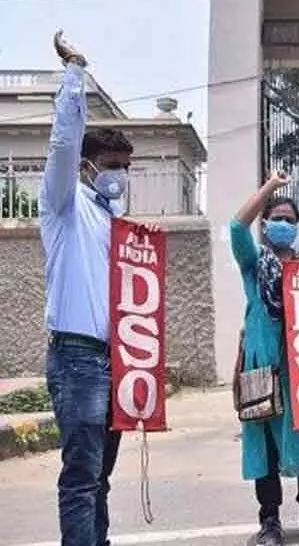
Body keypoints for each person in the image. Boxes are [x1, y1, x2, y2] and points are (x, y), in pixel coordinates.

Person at [40, 31, 137, 546]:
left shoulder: (114, 220)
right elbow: (62, 143)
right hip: (77, 357)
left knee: (99, 478)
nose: (118, 176)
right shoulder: (64, 206)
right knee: (81, 478)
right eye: (111, 167)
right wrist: (74, 74)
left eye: (125, 168)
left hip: (116, 358)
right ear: (86, 167)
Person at [230, 171, 299, 545]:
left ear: (297, 227)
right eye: (276, 218)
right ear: (266, 223)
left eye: (289, 220)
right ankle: (270, 522)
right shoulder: (254, 261)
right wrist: (270, 188)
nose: (282, 224)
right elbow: (235, 225)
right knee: (264, 444)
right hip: (263, 363)